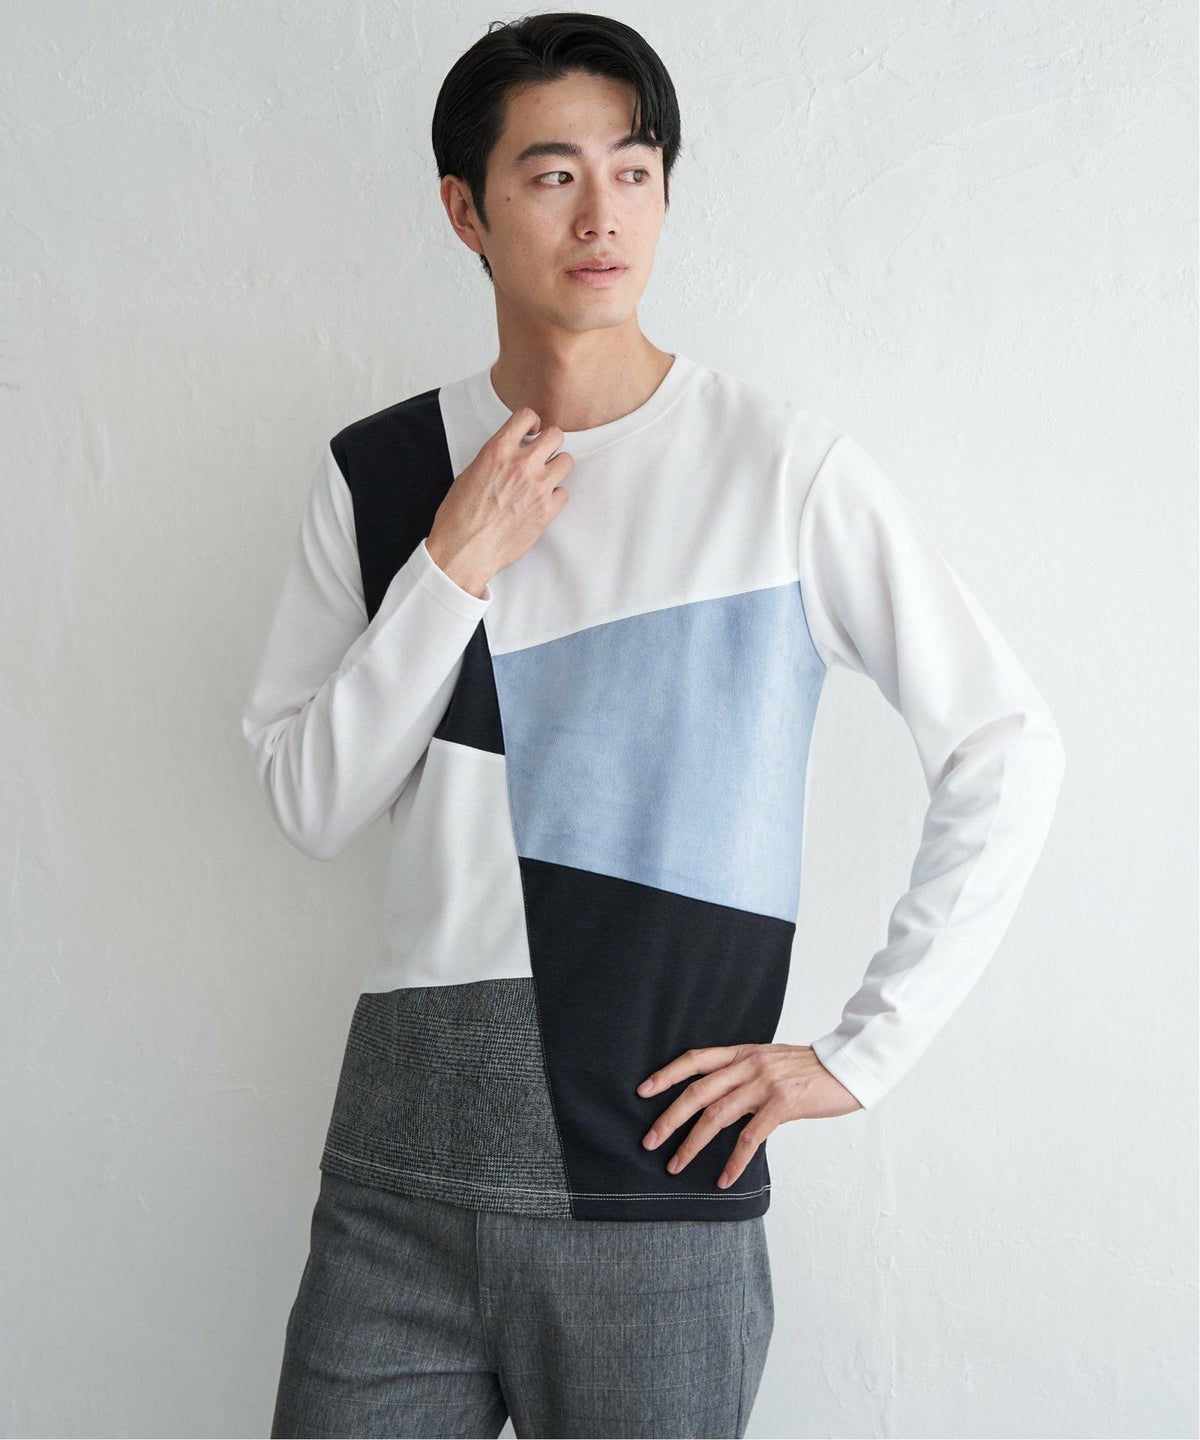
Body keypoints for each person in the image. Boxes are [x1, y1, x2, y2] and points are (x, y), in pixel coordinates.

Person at [241, 12, 1067, 1439]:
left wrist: (860, 1053)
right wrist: (451, 566)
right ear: (465, 211)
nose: (602, 214)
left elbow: (1006, 744)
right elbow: (310, 803)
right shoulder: (380, 473)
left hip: (655, 1189)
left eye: (633, 170)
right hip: (395, 1187)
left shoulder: (781, 470)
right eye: (552, 174)